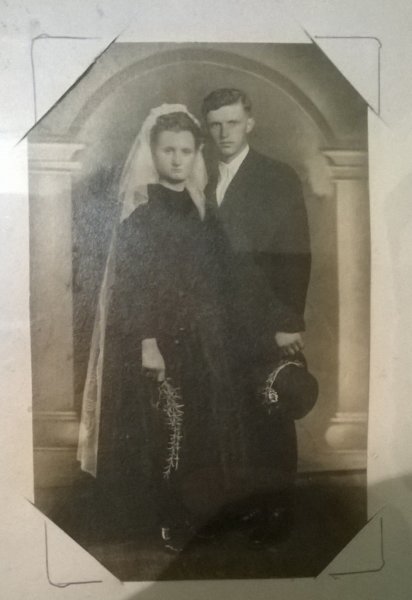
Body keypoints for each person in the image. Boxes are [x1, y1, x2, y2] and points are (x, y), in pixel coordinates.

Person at [77, 105, 254, 551]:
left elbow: (221, 277)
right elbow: (131, 288)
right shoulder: (141, 217)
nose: (177, 160)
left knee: (205, 425)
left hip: (205, 340)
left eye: (185, 151)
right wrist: (148, 344)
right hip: (161, 341)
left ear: (197, 155)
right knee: (169, 429)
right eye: (168, 150)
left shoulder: (203, 214)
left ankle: (203, 513)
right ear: (152, 154)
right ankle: (170, 518)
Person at [201, 88, 312, 545]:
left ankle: (278, 511)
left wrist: (287, 320)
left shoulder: (277, 176)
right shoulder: (201, 176)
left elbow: (296, 254)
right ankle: (243, 505)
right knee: (227, 414)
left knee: (270, 410)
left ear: (250, 123)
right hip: (213, 322)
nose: (224, 133)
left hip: (264, 319)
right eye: (215, 125)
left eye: (232, 122)